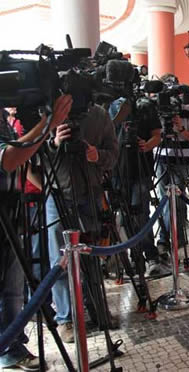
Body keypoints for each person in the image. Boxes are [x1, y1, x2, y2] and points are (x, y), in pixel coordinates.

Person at [0, 95, 72, 370]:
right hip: (7, 212)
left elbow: (20, 155)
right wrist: (48, 123)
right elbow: (10, 158)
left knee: (13, 289)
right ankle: (7, 348)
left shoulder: (5, 120)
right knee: (5, 287)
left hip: (11, 210)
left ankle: (13, 345)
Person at [45, 101, 119, 342]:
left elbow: (113, 154)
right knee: (61, 259)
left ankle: (97, 307)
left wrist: (97, 155)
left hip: (91, 190)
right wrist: (55, 144)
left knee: (93, 254)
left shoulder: (99, 114)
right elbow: (35, 158)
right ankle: (66, 318)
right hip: (59, 192)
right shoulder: (49, 112)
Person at [108, 97, 168, 276]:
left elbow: (157, 135)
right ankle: (135, 258)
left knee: (141, 215)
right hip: (116, 171)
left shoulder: (143, 106)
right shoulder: (108, 104)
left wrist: (147, 145)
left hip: (141, 168)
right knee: (125, 216)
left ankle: (151, 256)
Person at [155, 73, 189, 251]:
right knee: (163, 200)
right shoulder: (157, 107)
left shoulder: (187, 109)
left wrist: (180, 127)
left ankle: (175, 237)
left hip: (182, 158)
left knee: (179, 200)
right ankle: (165, 238)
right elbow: (154, 136)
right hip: (162, 158)